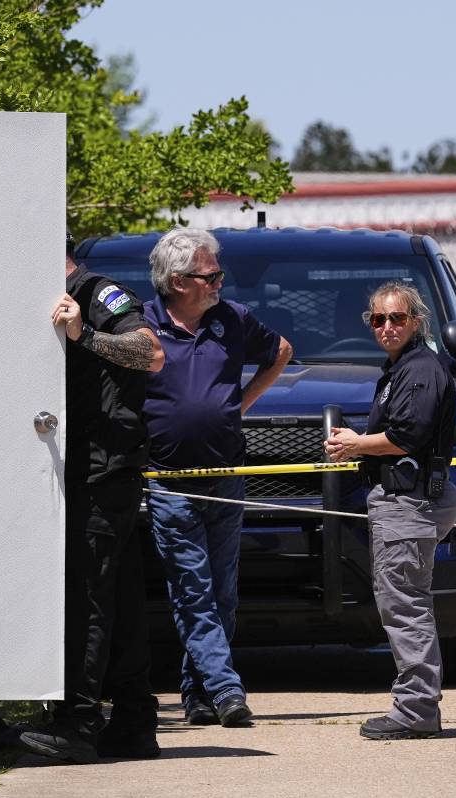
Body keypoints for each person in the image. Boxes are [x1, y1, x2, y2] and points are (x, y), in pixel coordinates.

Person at [17, 236, 166, 764]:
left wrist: (83, 334)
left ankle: (77, 724)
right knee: (120, 604)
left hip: (104, 474)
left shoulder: (98, 293)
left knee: (88, 599)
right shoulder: (47, 299)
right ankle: (132, 724)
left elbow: (150, 352)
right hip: (93, 473)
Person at [142, 228, 292, 728]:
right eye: (210, 276)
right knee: (192, 588)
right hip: (168, 481)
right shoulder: (141, 324)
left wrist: (239, 405)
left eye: (218, 274)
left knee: (222, 591)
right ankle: (227, 689)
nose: (219, 283)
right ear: (178, 281)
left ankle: (199, 694)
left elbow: (281, 352)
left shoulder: (233, 319)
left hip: (226, 475)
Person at [325, 281, 456, 740]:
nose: (386, 326)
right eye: (377, 319)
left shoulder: (420, 370)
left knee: (405, 608)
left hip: (409, 502)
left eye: (396, 318)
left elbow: (408, 436)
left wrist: (355, 443)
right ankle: (417, 707)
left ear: (416, 322)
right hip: (405, 500)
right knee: (404, 604)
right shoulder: (404, 368)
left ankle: (417, 712)